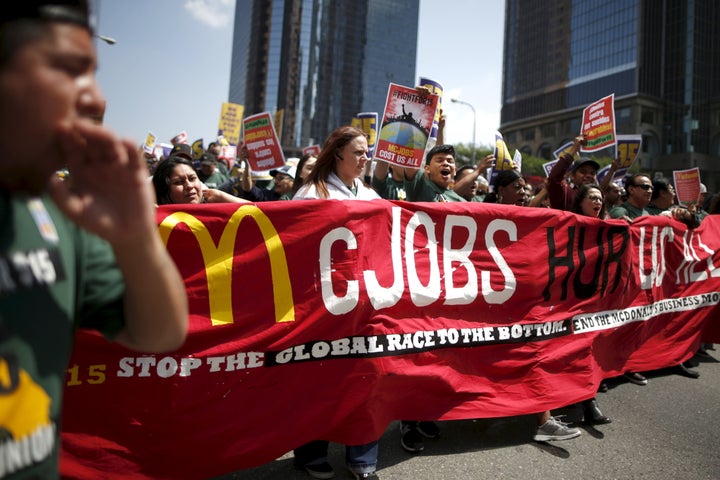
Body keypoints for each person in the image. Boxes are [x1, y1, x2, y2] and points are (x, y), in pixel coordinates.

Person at [0, 2, 189, 477]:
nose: (96, 100)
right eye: (69, 70)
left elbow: (158, 334)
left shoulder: (51, 209)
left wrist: (136, 237)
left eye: (94, 75)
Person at [292, 126, 380, 480]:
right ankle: (311, 452)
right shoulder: (311, 193)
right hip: (320, 303)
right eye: (358, 152)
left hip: (364, 302)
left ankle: (363, 459)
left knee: (365, 376)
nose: (364, 159)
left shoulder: (371, 194)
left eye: (366, 152)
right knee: (319, 378)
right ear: (338, 153)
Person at [486, 170, 582, 441]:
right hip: (487, 303)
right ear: (500, 190)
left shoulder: (532, 217)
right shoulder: (482, 213)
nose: (524, 192)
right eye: (517, 187)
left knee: (532, 353)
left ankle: (543, 420)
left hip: (523, 303)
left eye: (525, 187)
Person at [609, 174, 700, 381]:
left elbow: (694, 226)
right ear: (630, 189)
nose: (649, 191)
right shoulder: (621, 211)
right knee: (631, 322)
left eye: (650, 187)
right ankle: (627, 365)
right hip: (632, 277)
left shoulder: (651, 212)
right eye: (644, 187)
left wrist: (683, 216)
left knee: (658, 320)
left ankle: (671, 359)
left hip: (656, 275)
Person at [152, 156, 248, 205]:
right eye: (179, 182)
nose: (189, 186)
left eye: (192, 178)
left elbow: (257, 212)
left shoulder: (214, 211)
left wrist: (220, 196)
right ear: (164, 190)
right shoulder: (154, 221)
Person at [547, 135, 600, 210]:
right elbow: (554, 178)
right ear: (572, 176)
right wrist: (574, 149)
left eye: (592, 173)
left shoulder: (599, 200)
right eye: (583, 171)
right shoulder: (565, 194)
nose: (588, 175)